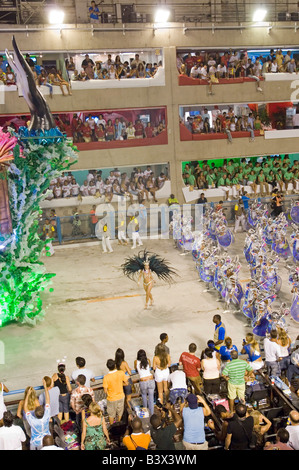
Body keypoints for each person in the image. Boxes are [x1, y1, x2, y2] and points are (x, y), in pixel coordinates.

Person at [24, 379, 51, 450]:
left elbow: (25, 408)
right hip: (46, 440)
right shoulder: (46, 417)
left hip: (35, 442)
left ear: (35, 414)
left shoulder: (32, 421)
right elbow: (48, 400)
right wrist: (45, 387)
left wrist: (27, 395)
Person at [103, 359, 128, 425]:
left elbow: (105, 391)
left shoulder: (106, 377)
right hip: (121, 397)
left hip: (111, 399)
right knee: (120, 412)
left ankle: (112, 427)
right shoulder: (121, 373)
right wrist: (120, 384)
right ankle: (119, 425)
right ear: (115, 366)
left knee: (111, 414)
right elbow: (126, 383)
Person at [134, 349, 155, 416]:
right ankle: (152, 414)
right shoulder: (148, 360)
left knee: (144, 396)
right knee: (151, 398)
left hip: (143, 381)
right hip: (151, 379)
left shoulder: (136, 362)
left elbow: (136, 369)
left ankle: (145, 412)